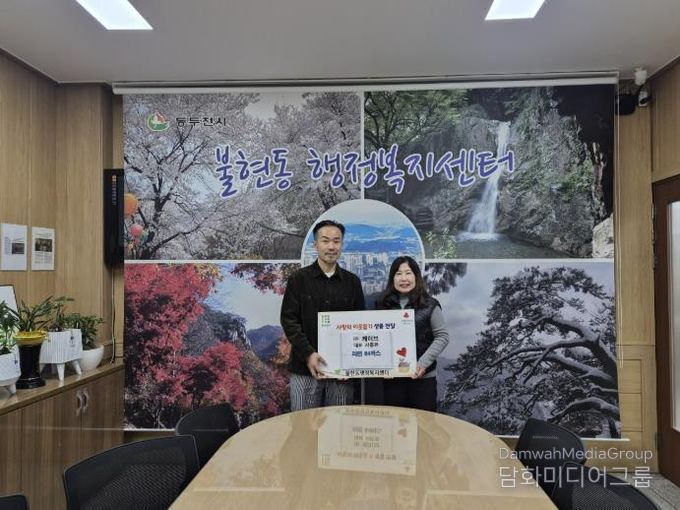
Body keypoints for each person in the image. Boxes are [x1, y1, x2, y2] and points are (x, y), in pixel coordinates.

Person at [280, 219, 365, 410]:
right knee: (304, 423)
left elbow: (360, 324)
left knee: (338, 423)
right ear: (315, 244)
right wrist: (308, 353)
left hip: (341, 372)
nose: (331, 246)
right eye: (325, 240)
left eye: (336, 241)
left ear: (341, 245)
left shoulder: (352, 282)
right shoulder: (298, 279)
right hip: (304, 368)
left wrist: (353, 362)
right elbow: (289, 319)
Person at [377, 256, 449, 411]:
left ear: (416, 276)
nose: (404, 279)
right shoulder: (382, 305)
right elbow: (378, 339)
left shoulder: (430, 305)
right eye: (398, 274)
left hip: (423, 379)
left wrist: (422, 364)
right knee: (394, 422)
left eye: (408, 273)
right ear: (392, 278)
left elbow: (442, 337)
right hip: (393, 380)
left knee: (424, 424)